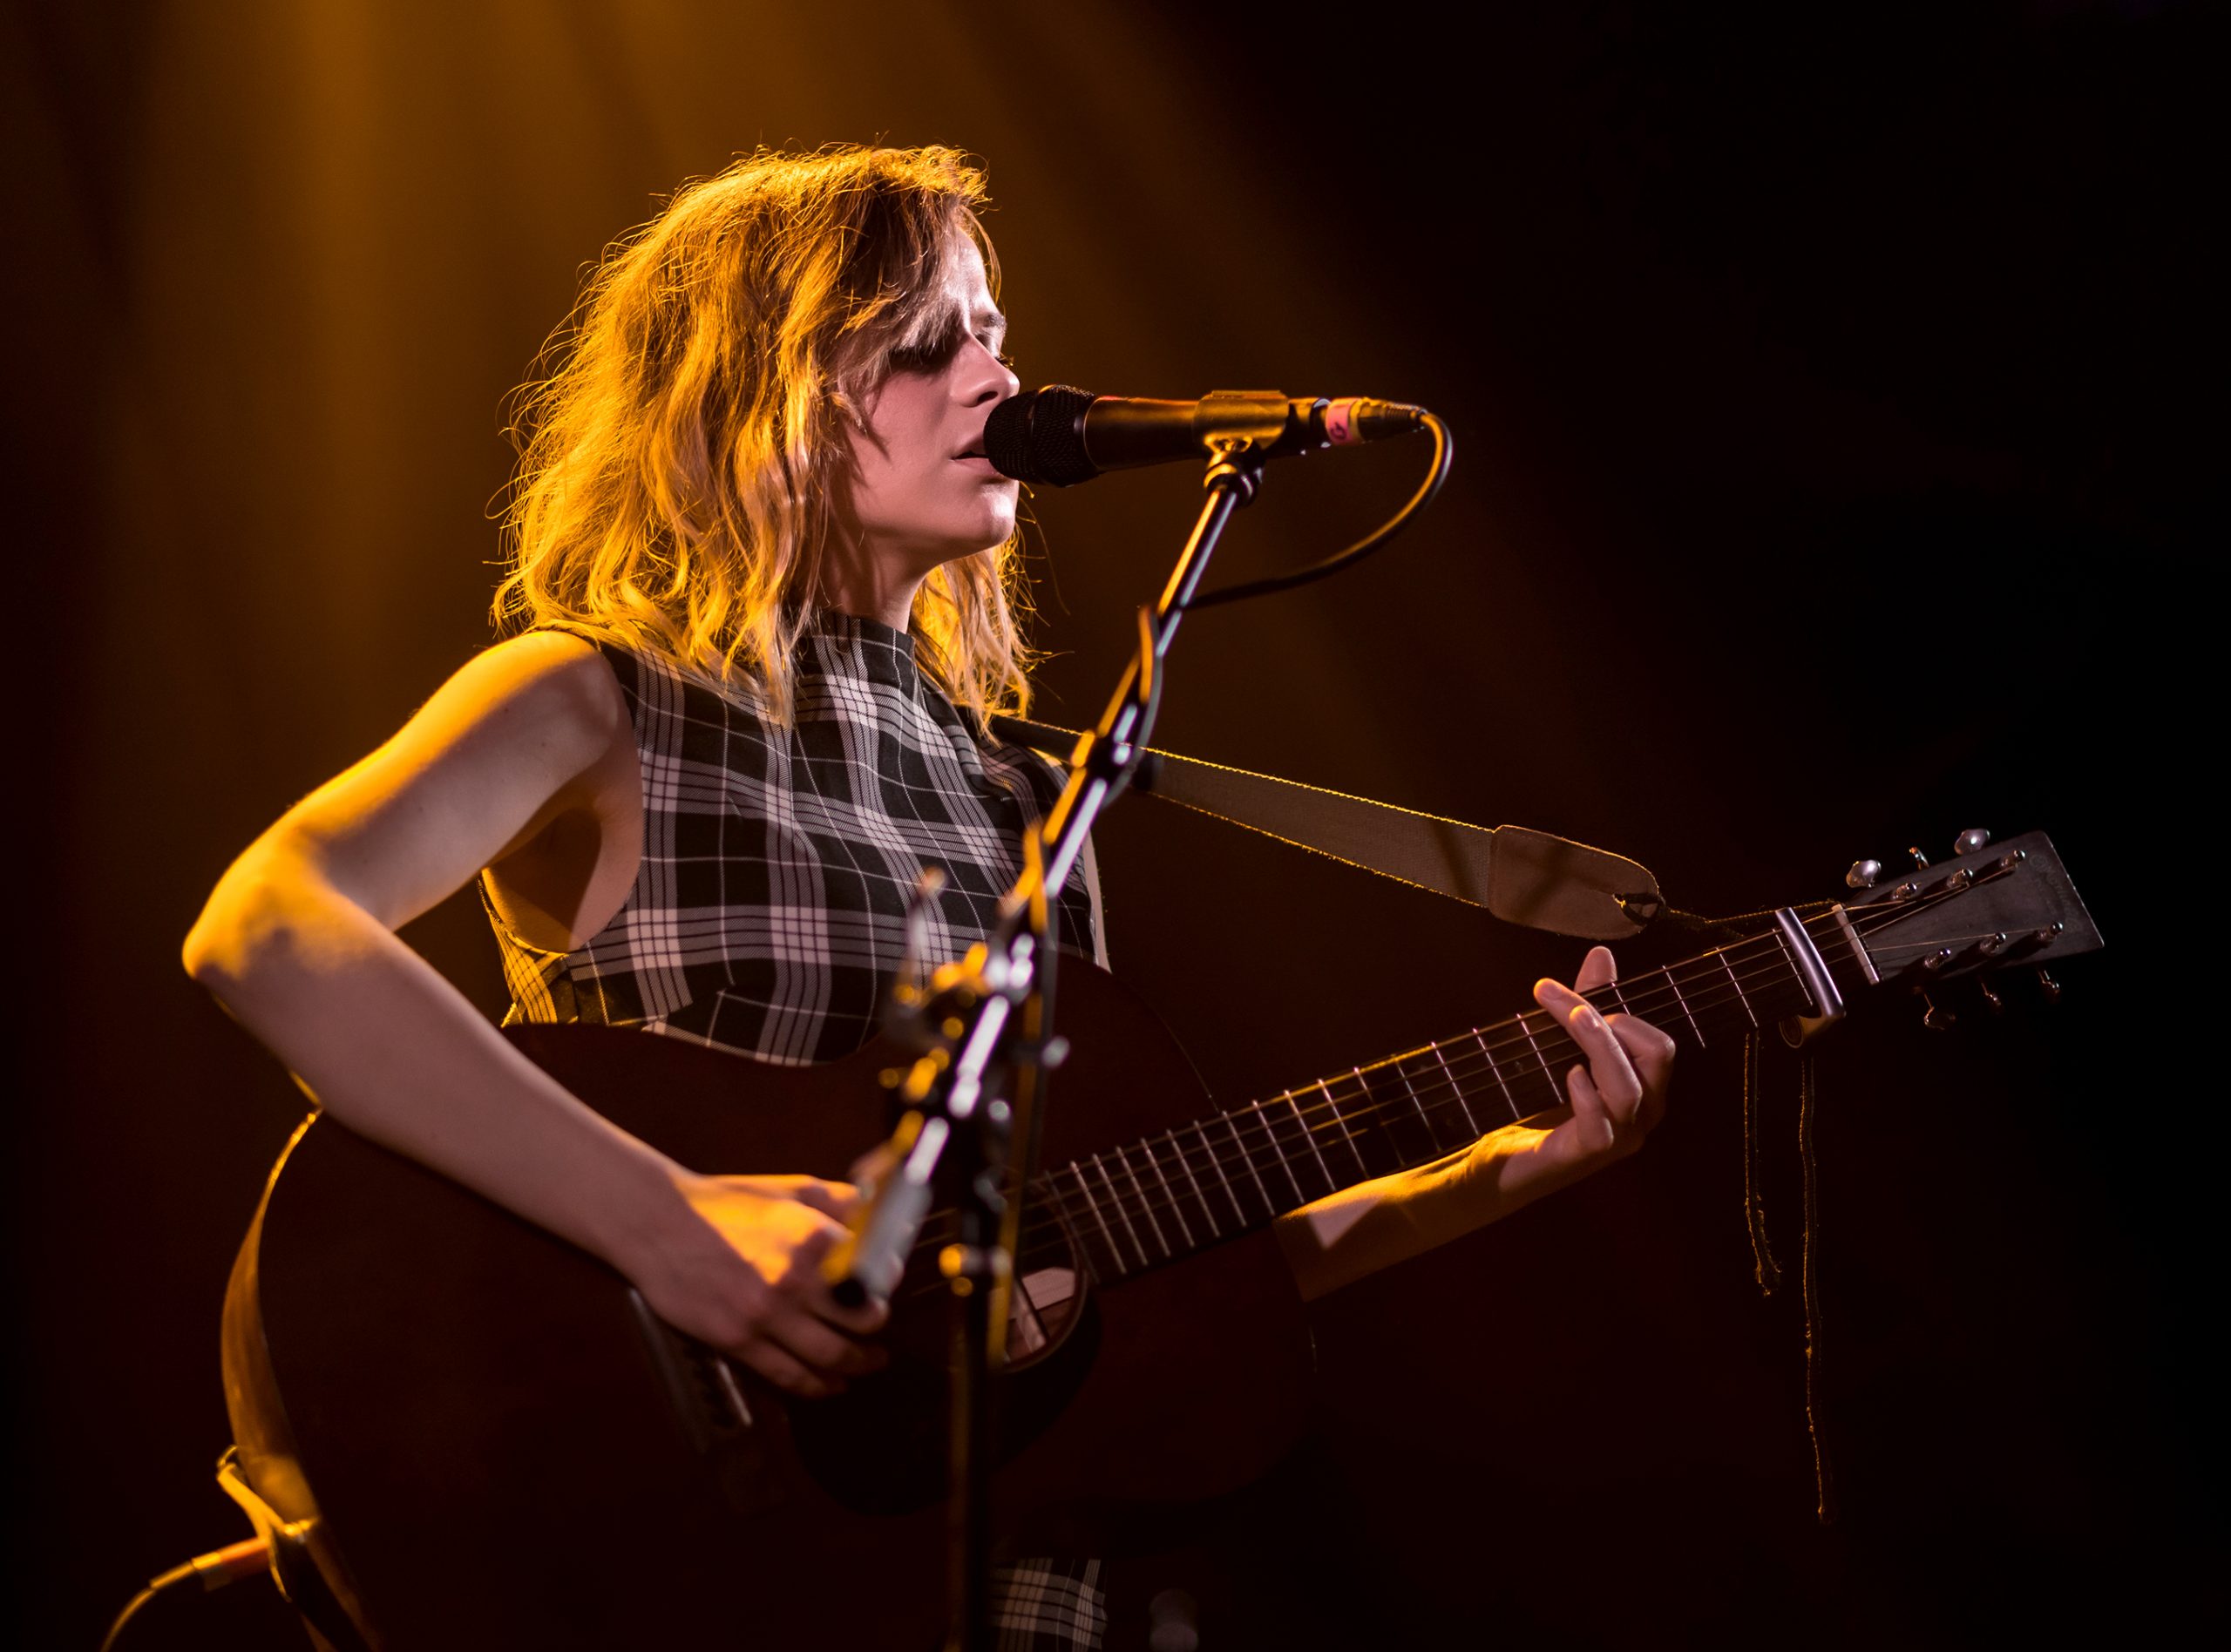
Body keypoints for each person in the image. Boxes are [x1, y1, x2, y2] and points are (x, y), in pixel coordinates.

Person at [182, 145, 1675, 1649]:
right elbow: (266, 928)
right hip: (699, 1558)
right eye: (924, 344)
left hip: (995, 1585)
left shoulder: (1027, 796)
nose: (996, 376)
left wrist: (1495, 1171)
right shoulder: (603, 695)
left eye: (992, 329)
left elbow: (1091, 1277)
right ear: (748, 400)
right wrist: (674, 1222)